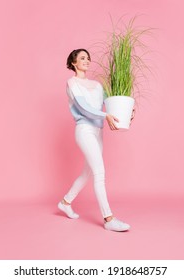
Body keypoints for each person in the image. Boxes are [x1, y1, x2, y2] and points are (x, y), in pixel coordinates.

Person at [58, 49, 134, 232]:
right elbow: (83, 108)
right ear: (74, 62)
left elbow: (111, 104)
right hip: (84, 130)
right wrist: (105, 115)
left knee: (88, 172)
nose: (87, 61)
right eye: (82, 58)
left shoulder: (97, 85)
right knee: (99, 172)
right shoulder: (72, 83)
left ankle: (65, 202)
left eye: (88, 58)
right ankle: (109, 219)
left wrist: (127, 112)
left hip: (98, 131)